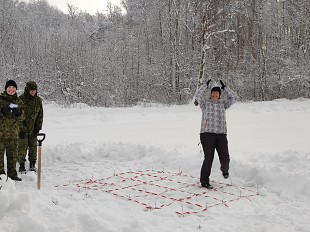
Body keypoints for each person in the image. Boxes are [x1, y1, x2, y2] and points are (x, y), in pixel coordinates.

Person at [195, 79, 238, 189]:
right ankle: (204, 181)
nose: (214, 94)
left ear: (219, 95)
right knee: (208, 158)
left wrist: (225, 88)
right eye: (213, 92)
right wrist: (205, 86)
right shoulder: (205, 104)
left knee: (225, 158)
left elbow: (234, 98)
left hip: (221, 135)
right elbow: (198, 95)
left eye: (217, 92)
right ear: (211, 94)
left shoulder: (223, 104)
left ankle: (224, 170)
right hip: (207, 134)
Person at [0, 80, 24, 181]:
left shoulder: (19, 101)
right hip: (1, 134)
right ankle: (0, 175)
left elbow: (23, 117)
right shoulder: (0, 99)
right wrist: (2, 111)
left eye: (13, 88)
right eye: (9, 87)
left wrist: (19, 113)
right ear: (6, 88)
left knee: (13, 155)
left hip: (13, 134)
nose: (11, 89)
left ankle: (12, 174)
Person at [18, 81, 43, 173]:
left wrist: (38, 128)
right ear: (27, 90)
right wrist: (20, 129)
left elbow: (40, 115)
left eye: (34, 90)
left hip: (33, 128)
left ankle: (32, 164)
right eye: (31, 90)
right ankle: (21, 165)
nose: (33, 92)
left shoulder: (38, 100)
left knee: (33, 146)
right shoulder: (20, 99)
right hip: (22, 129)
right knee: (22, 146)